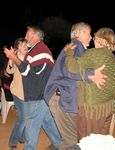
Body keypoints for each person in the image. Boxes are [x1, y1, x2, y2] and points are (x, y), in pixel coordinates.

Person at [44, 22, 107, 150]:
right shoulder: (75, 46)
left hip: (66, 98)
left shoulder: (78, 48)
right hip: (61, 98)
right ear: (79, 33)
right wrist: (91, 75)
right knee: (72, 142)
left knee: (72, 139)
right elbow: (70, 70)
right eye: (89, 34)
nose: (91, 37)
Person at [4, 25, 61, 150]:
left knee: (30, 125)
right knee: (46, 121)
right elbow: (10, 72)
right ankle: (59, 144)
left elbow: (27, 72)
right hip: (38, 93)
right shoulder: (34, 51)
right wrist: (13, 59)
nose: (25, 37)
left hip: (37, 95)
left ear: (35, 36)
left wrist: (13, 57)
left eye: (27, 35)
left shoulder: (40, 51)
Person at [64, 27, 115, 139]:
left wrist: (69, 53)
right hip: (108, 106)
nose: (93, 39)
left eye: (95, 37)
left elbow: (72, 68)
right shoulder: (111, 57)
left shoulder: (94, 53)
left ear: (100, 40)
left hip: (92, 109)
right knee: (101, 141)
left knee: (86, 141)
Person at [6, 38, 28, 149]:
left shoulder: (30, 58)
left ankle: (22, 138)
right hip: (18, 92)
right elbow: (9, 71)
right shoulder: (16, 59)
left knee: (26, 116)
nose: (25, 46)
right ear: (17, 49)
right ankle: (12, 141)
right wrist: (10, 59)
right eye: (22, 45)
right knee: (23, 118)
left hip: (28, 93)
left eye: (26, 44)